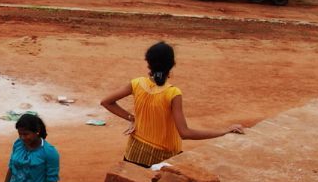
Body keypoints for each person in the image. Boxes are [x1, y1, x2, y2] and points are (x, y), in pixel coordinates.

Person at [100, 41, 245, 166]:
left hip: (133, 154)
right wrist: (224, 131)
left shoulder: (136, 83)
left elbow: (106, 102)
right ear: (172, 64)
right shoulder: (172, 93)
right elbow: (185, 133)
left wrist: (132, 118)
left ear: (148, 63)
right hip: (163, 158)